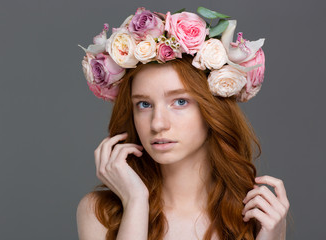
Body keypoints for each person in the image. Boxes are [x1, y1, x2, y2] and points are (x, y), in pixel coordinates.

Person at [76, 7, 289, 240]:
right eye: (144, 105)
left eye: (179, 101)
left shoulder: (258, 216)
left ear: (212, 109)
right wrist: (135, 201)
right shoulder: (100, 212)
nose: (157, 124)